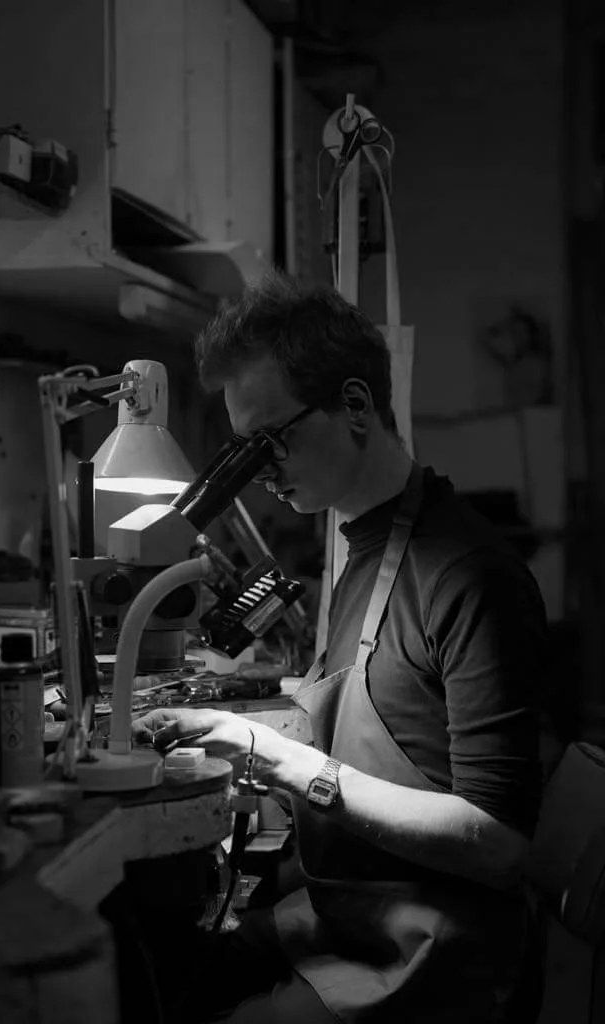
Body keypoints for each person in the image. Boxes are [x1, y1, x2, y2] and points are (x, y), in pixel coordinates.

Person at [132, 270, 547, 1023]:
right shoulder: (361, 545)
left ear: (354, 405)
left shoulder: (470, 575)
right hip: (344, 909)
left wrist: (284, 759)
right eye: (246, 451)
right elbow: (392, 718)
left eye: (274, 441)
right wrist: (234, 730)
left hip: (431, 946)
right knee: (165, 971)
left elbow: (498, 844)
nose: (264, 475)